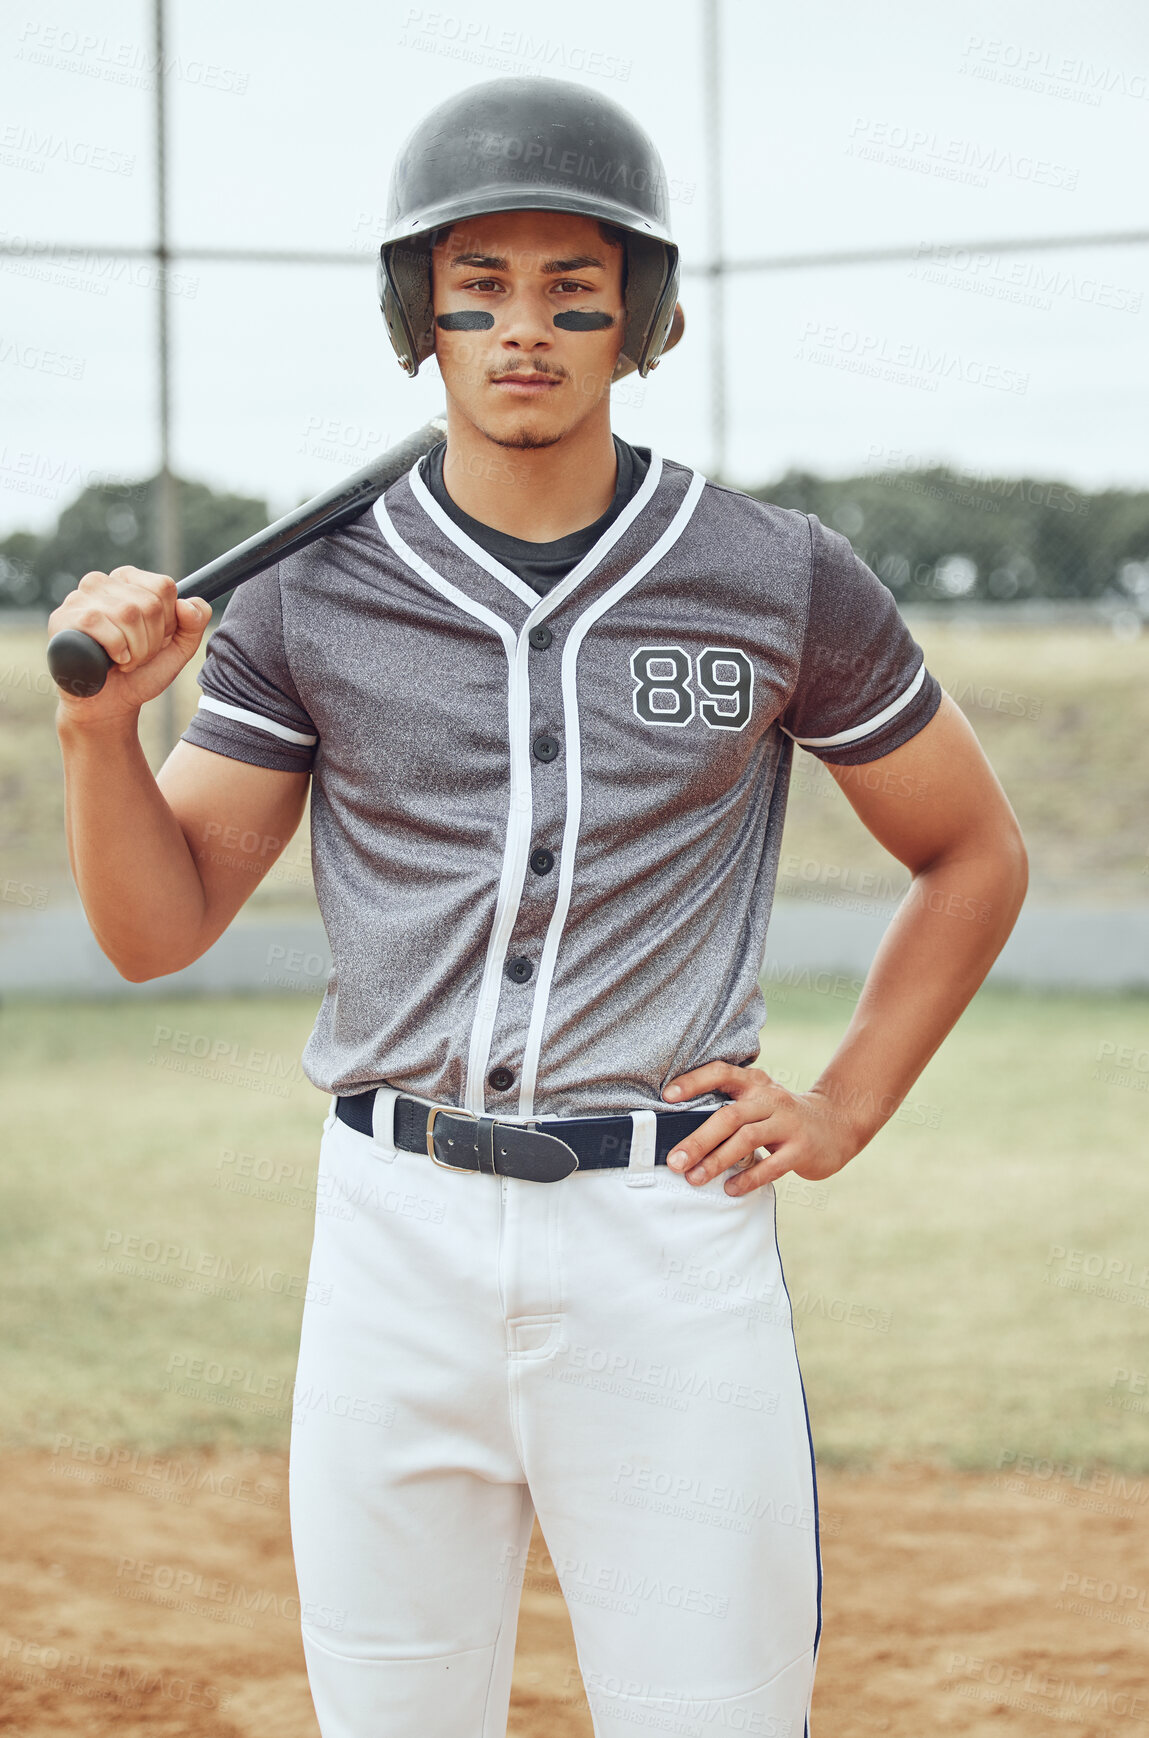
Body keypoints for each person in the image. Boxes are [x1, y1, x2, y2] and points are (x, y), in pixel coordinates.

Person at [50, 76, 1027, 1738]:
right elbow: (159, 927)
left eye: (574, 293)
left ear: (634, 321)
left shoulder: (774, 571)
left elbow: (972, 849)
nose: (524, 330)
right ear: (418, 320)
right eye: (478, 290)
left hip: (663, 1229)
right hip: (391, 1227)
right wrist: (98, 732)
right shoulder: (313, 590)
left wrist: (848, 1100)